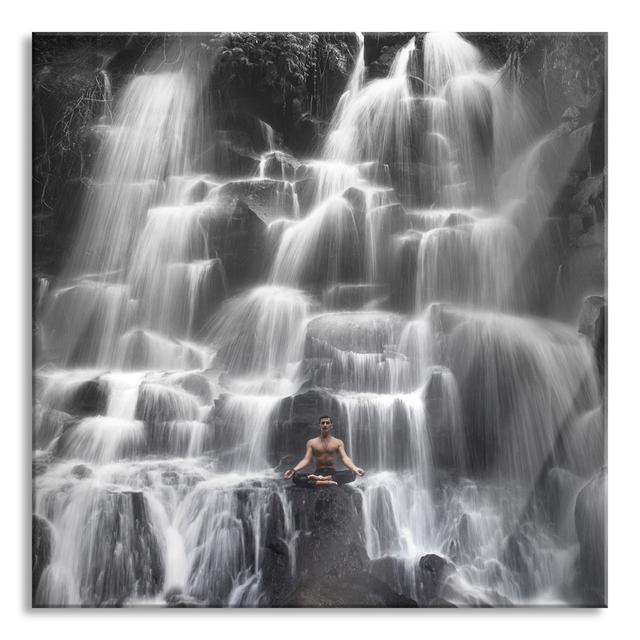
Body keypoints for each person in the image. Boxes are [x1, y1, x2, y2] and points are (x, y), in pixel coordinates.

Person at [283, 415, 365, 487]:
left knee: (352, 474)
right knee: (296, 477)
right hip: (318, 473)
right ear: (320, 425)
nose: (325, 425)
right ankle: (326, 482)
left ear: (331, 425)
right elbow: (306, 460)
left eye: (327, 423)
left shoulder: (338, 442)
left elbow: (344, 457)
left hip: (332, 473)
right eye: (322, 423)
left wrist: (355, 468)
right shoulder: (311, 442)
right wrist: (293, 470)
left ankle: (323, 480)